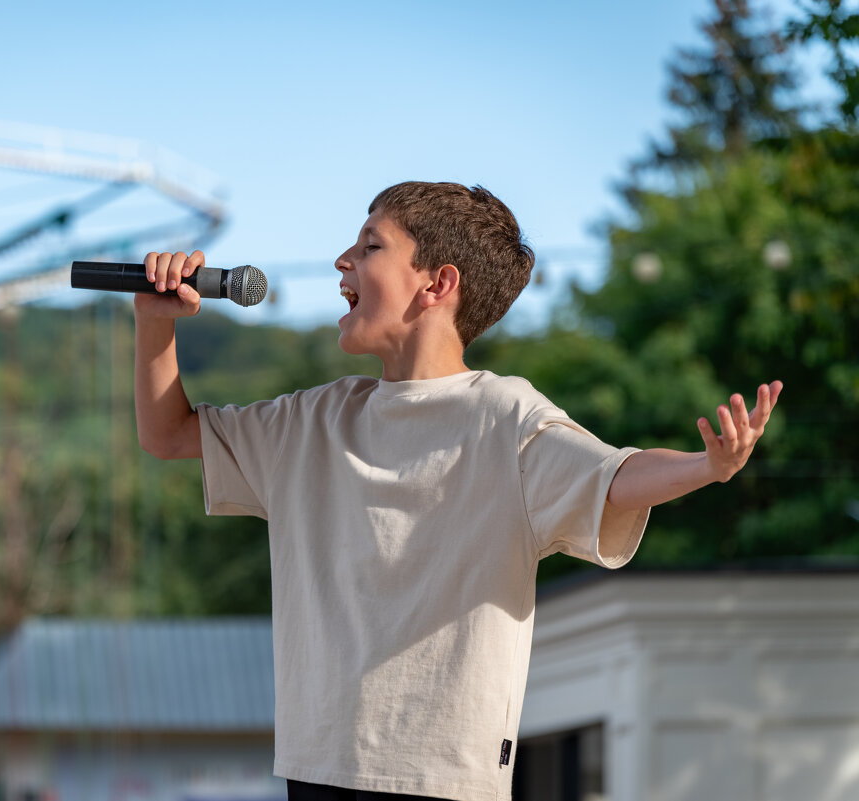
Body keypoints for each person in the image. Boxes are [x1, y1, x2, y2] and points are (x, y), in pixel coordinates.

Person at [132, 181, 781, 801]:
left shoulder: (506, 417)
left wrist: (706, 466)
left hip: (443, 774)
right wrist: (155, 323)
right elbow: (169, 435)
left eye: (370, 245)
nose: (342, 259)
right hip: (318, 762)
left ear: (437, 283)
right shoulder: (312, 420)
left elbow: (617, 475)